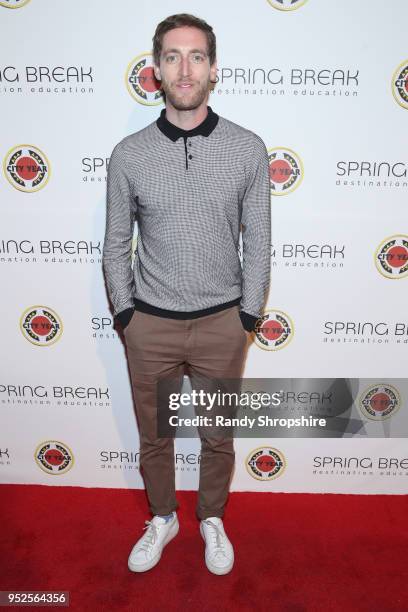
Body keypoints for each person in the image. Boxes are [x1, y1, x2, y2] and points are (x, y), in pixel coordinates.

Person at [102, 13, 271, 575]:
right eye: (172, 56)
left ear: (213, 69)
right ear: (155, 70)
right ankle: (163, 517)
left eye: (196, 56)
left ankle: (212, 518)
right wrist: (127, 315)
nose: (184, 68)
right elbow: (114, 245)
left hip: (223, 322)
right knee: (155, 436)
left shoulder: (247, 148)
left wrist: (246, 317)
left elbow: (261, 243)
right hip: (149, 324)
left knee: (218, 437)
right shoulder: (128, 155)